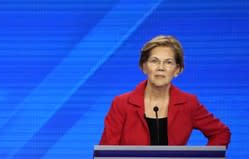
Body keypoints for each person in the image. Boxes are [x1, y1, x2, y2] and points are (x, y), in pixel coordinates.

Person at [99, 35, 230, 146]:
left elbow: (221, 133)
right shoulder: (121, 104)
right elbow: (105, 152)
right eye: (154, 61)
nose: (160, 68)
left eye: (168, 62)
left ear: (177, 70)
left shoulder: (189, 103)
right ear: (144, 67)